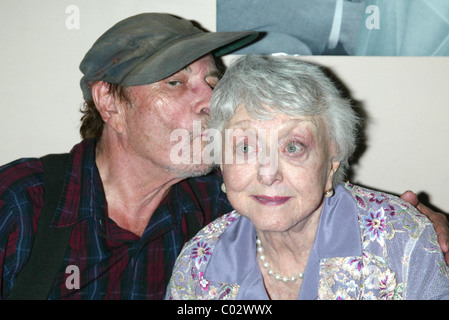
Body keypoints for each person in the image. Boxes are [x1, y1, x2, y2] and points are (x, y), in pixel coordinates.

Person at [0, 13, 446, 300]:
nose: (209, 103)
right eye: (175, 82)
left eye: (213, 82)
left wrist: (427, 224)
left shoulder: (220, 206)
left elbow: (313, 183)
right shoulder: (21, 204)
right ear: (110, 102)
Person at [165, 55, 449, 300]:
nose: (268, 174)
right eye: (245, 147)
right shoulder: (197, 264)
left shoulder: (401, 244)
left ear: (331, 159)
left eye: (292, 147)